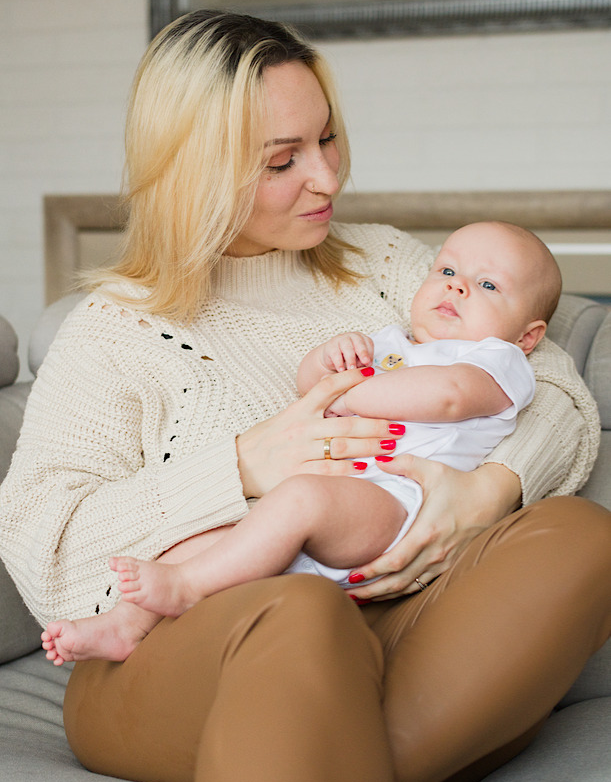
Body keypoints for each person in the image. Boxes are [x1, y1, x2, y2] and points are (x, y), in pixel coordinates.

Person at [0, 10, 609, 782]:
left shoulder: (383, 262)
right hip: (189, 656)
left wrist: (488, 490)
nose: (326, 178)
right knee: (301, 617)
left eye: (326, 140)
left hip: (394, 625)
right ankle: (405, 752)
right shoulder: (112, 335)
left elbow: (556, 389)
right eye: (283, 160)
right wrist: (244, 466)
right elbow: (47, 550)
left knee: (579, 533)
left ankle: (322, 774)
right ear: (194, 171)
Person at [41, 220, 560, 661]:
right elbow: (310, 385)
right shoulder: (392, 341)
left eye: (488, 286)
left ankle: (187, 590)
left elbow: (447, 398)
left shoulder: (499, 361)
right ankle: (127, 623)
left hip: (401, 509)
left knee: (302, 499)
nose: (457, 287)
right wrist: (329, 358)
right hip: (324, 521)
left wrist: (353, 389)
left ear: (528, 336)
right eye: (447, 272)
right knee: (190, 541)